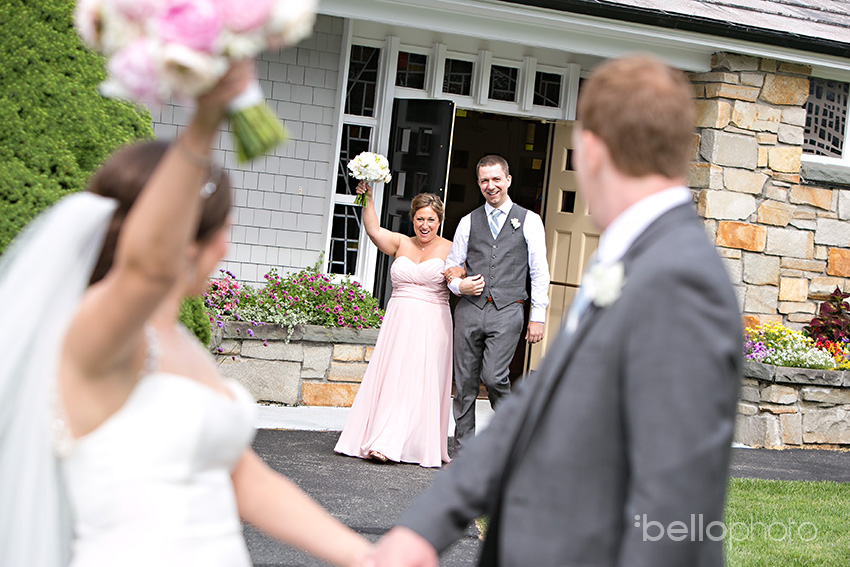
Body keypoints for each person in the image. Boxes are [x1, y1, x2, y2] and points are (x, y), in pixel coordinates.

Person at [363, 54, 743, 567]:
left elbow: (675, 499)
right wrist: (425, 528)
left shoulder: (682, 279)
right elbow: (535, 405)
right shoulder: (629, 251)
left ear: (590, 149)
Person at [0, 61, 369, 567]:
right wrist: (205, 119)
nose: (227, 245)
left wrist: (365, 556)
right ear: (185, 237)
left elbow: (243, 477)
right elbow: (147, 269)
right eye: (225, 229)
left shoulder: (180, 341)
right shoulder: (96, 336)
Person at [334, 182, 455, 468]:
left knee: (419, 380)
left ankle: (405, 442)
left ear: (439, 221)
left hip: (433, 323)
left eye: (431, 220)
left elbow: (461, 277)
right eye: (419, 219)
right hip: (399, 321)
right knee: (394, 379)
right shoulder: (401, 243)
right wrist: (368, 197)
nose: (425, 225)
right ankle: (383, 438)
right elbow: (373, 229)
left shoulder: (451, 248)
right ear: (412, 219)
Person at [442, 154, 549, 450]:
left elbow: (539, 271)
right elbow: (452, 265)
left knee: (493, 376)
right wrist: (458, 285)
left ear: (508, 180)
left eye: (496, 179)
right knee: (464, 382)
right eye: (485, 180)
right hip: (469, 310)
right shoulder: (467, 222)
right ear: (478, 183)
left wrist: (537, 316)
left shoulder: (529, 220)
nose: (491, 186)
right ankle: (465, 449)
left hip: (508, 309)